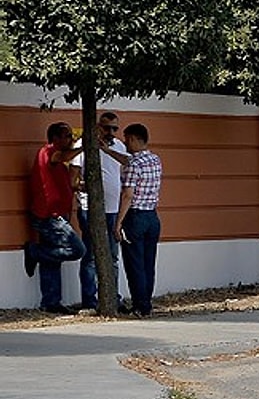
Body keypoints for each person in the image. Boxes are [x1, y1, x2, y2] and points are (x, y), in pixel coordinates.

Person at [24, 122, 87, 314]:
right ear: (56, 138)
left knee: (52, 260)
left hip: (58, 213)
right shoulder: (50, 152)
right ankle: (34, 251)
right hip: (49, 216)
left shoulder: (57, 162)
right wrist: (85, 146)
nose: (71, 139)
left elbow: (58, 183)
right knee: (77, 249)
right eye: (67, 136)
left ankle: (51, 302)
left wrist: (76, 187)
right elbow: (64, 155)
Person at [70, 111, 128, 312]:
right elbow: (73, 180)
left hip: (113, 210)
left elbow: (128, 164)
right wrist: (87, 187)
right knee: (91, 256)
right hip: (90, 209)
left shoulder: (119, 146)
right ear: (97, 127)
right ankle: (90, 299)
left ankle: (113, 297)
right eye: (106, 127)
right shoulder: (82, 147)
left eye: (114, 128)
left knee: (112, 256)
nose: (110, 132)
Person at [114, 123, 162, 317]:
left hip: (135, 216)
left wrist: (118, 222)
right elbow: (127, 159)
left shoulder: (134, 165)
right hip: (152, 216)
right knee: (148, 264)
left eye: (126, 139)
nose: (125, 142)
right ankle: (146, 303)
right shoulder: (155, 159)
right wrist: (107, 151)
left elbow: (127, 194)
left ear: (133, 139)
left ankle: (139, 306)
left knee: (134, 264)